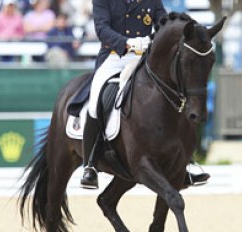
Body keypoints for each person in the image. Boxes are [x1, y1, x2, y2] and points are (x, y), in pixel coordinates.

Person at [80, 0, 210, 189]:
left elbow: (163, 22)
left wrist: (153, 39)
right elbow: (102, 28)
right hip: (115, 56)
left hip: (147, 56)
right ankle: (90, 165)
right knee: (95, 100)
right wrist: (127, 43)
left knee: (175, 94)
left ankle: (184, 162)